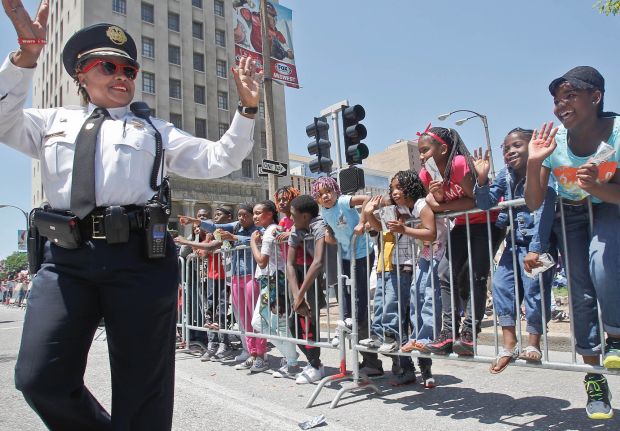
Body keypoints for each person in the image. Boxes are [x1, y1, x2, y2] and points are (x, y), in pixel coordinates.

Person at [2, 4, 262, 427]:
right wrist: (26, 56)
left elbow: (220, 158)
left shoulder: (154, 130)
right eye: (109, 67)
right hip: (67, 262)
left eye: (129, 70)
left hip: (139, 261)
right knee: (39, 377)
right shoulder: (50, 122)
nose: (122, 76)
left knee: (143, 390)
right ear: (81, 74)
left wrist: (246, 110)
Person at [524, 66, 620, 420]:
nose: (560, 105)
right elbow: (534, 202)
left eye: (569, 95)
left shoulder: (618, 133)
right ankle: (595, 381)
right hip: (572, 215)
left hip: (609, 206)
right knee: (579, 293)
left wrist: (597, 188)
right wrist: (535, 163)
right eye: (556, 99)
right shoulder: (555, 143)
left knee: (602, 262)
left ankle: (616, 335)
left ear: (595, 97)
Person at [474, 128, 557, 373]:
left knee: (535, 291)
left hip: (539, 243)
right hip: (515, 242)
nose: (510, 151)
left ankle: (534, 343)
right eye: (506, 148)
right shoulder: (505, 174)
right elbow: (484, 202)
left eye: (517, 145)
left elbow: (544, 209)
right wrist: (481, 180)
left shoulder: (543, 169)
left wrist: (536, 248)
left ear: (533, 146)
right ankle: (509, 343)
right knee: (501, 286)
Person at [417, 126, 503, 356]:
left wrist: (441, 204)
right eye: (419, 152)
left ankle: (468, 332)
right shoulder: (426, 174)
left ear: (443, 149)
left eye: (425, 150)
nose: (422, 156)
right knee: (445, 273)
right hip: (464, 223)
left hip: (488, 220)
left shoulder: (458, 164)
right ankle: (448, 333)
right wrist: (437, 199)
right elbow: (434, 204)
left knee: (475, 274)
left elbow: (474, 202)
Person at [364, 170, 445, 388]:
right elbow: (379, 228)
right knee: (400, 320)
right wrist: (369, 211)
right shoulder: (397, 208)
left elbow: (430, 232)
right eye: (393, 189)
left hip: (412, 265)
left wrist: (405, 228)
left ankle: (426, 370)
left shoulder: (419, 205)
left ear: (410, 187)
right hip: (403, 265)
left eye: (399, 188)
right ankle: (405, 368)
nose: (395, 192)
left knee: (414, 316)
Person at [311, 176, 383, 377]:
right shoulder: (324, 212)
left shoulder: (343, 201)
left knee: (359, 295)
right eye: (320, 194)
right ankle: (346, 322)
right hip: (344, 255)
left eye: (328, 191)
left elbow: (367, 199)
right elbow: (332, 233)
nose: (325, 196)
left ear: (336, 191)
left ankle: (356, 325)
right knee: (343, 293)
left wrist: (362, 222)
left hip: (360, 252)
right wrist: (329, 235)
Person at [249, 200, 299, 374]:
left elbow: (262, 262)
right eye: (254, 213)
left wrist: (252, 244)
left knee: (273, 323)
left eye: (258, 212)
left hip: (273, 281)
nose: (255, 216)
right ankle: (291, 359)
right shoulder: (267, 231)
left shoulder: (270, 230)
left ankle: (292, 361)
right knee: (263, 322)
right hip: (268, 282)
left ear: (270, 213)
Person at [286, 195, 329, 383]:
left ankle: (315, 364)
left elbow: (318, 262)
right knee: (293, 325)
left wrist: (301, 294)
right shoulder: (296, 228)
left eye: (294, 215)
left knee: (309, 324)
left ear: (305, 216)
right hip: (299, 278)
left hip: (316, 276)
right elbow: (289, 264)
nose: (291, 219)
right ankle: (313, 362)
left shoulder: (319, 225)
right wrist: (297, 297)